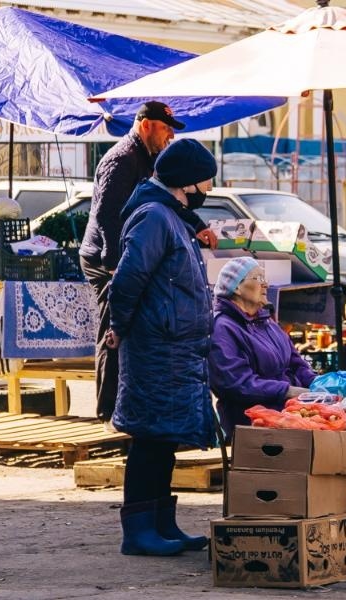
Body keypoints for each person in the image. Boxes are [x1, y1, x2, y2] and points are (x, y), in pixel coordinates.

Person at [106, 139, 218, 557]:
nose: (208, 187)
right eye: (205, 179)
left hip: (175, 351)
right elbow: (128, 280)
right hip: (157, 349)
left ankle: (162, 523)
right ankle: (138, 531)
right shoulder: (154, 216)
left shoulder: (171, 215)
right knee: (151, 438)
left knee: (165, 438)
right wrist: (118, 326)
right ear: (186, 180)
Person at [79, 101, 216, 424]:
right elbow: (106, 215)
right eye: (166, 128)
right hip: (105, 256)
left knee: (133, 322)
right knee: (114, 327)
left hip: (129, 250)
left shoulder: (153, 159)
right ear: (145, 125)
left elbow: (167, 196)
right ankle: (108, 410)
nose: (170, 135)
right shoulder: (121, 159)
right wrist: (115, 262)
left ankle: (128, 405)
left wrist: (197, 226)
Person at [209, 257, 316, 440]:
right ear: (236, 287)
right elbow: (236, 383)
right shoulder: (222, 328)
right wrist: (287, 390)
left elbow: (295, 362)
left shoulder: (266, 322)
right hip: (251, 424)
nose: (266, 284)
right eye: (259, 278)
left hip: (290, 414)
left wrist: (318, 384)